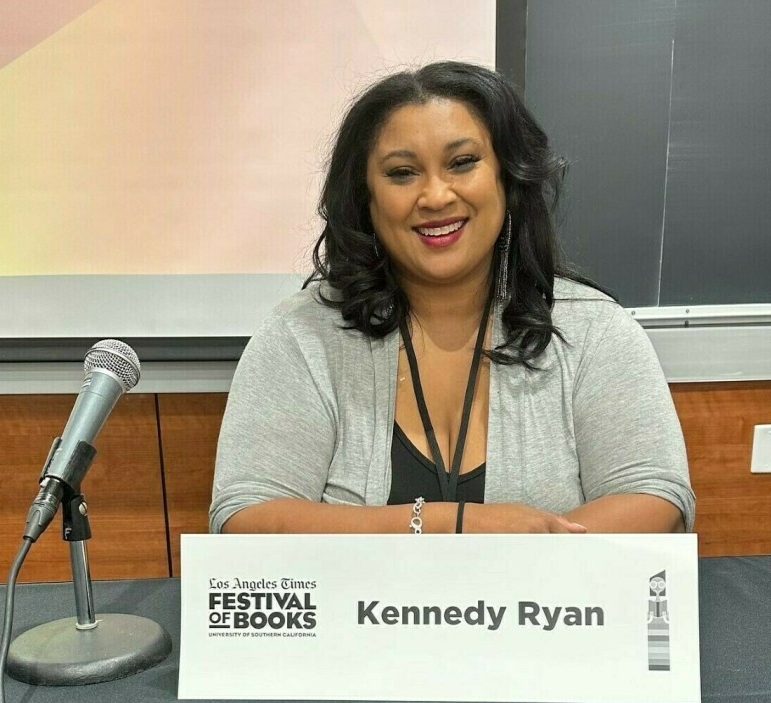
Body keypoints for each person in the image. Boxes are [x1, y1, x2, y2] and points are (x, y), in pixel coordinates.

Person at [209, 61, 694, 535]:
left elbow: (654, 497)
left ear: (509, 177)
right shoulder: (300, 337)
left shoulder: (593, 331)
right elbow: (246, 518)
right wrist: (453, 525)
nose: (436, 195)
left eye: (462, 163)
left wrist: (504, 577)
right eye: (402, 173)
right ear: (366, 198)